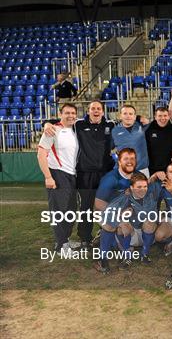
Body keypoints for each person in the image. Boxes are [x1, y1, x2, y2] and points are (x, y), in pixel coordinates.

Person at [42, 101, 115, 248]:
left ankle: (105, 235)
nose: (96, 111)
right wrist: (46, 124)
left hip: (105, 174)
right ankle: (85, 237)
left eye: (98, 108)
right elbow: (60, 122)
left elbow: (127, 124)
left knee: (106, 206)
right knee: (86, 208)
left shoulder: (111, 125)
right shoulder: (79, 124)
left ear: (102, 111)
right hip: (85, 174)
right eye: (93, 108)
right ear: (88, 111)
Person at [94, 172, 162, 273]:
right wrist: (121, 217)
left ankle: (144, 254)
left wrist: (157, 175)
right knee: (123, 225)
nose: (142, 190)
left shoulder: (153, 191)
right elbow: (105, 214)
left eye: (144, 186)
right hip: (130, 234)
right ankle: (127, 256)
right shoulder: (124, 197)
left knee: (149, 223)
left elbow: (170, 183)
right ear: (131, 187)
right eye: (138, 187)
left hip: (148, 234)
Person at [37, 103, 79, 254]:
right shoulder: (52, 130)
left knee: (71, 210)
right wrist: (48, 177)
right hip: (57, 174)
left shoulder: (76, 129)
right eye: (67, 113)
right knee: (59, 211)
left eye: (73, 113)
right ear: (61, 114)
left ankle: (65, 240)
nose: (70, 115)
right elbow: (41, 155)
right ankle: (61, 245)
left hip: (73, 176)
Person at [93, 148, 137, 212]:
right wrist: (119, 212)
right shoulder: (110, 178)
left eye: (132, 158)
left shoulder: (139, 176)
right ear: (119, 162)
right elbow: (98, 204)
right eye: (125, 159)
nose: (129, 162)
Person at [112, 105, 150, 177]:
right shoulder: (114, 131)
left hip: (141, 170)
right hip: (123, 170)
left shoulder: (142, 126)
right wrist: (117, 159)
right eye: (125, 113)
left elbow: (148, 123)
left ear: (135, 117)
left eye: (130, 114)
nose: (128, 116)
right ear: (120, 116)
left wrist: (140, 118)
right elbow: (108, 150)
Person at [145, 106, 172, 175]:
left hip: (171, 170)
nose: (163, 118)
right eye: (160, 116)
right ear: (155, 117)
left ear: (169, 116)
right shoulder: (149, 130)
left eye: (165, 115)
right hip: (153, 171)